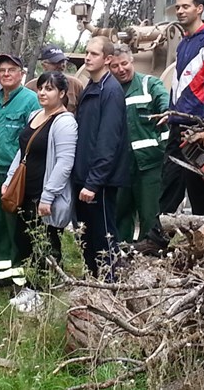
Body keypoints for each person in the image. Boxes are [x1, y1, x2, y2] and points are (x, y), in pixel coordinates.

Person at [136, 0, 204, 255]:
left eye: (186, 6)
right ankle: (159, 240)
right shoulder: (185, 43)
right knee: (171, 182)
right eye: (177, 7)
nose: (180, 11)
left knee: (200, 189)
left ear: (200, 8)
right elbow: (180, 85)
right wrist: (172, 111)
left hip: (198, 126)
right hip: (180, 123)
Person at [3, 71, 77, 313]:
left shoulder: (64, 122)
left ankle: (47, 289)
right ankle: (31, 288)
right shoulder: (36, 115)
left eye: (50, 89)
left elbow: (65, 162)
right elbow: (21, 150)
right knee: (26, 239)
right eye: (41, 88)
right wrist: (9, 179)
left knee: (46, 241)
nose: (43, 93)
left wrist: (48, 196)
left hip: (44, 192)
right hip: (25, 187)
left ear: (62, 93)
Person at [0, 54, 40, 288]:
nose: (6, 74)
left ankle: (20, 274)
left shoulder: (31, 101)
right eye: (1, 70)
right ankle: (1, 272)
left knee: (15, 224)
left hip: (14, 176)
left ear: (21, 73)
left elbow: (34, 140)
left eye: (11, 70)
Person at [72, 36, 129, 280]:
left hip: (99, 183)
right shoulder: (91, 87)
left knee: (104, 236)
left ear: (107, 59)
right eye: (86, 52)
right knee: (86, 235)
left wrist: (94, 182)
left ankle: (110, 287)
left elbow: (108, 142)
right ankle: (92, 283)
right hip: (83, 177)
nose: (87, 57)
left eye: (93, 54)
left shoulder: (111, 91)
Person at [109, 44, 170, 243]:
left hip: (149, 164)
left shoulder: (149, 84)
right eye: (115, 66)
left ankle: (152, 257)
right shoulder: (109, 91)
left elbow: (164, 100)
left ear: (132, 60)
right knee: (120, 215)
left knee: (150, 216)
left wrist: (166, 111)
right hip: (121, 167)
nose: (121, 69)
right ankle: (120, 256)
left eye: (124, 63)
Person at [24, 44, 84, 113]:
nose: (62, 66)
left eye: (63, 62)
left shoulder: (75, 85)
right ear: (44, 65)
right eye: (56, 62)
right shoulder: (31, 87)